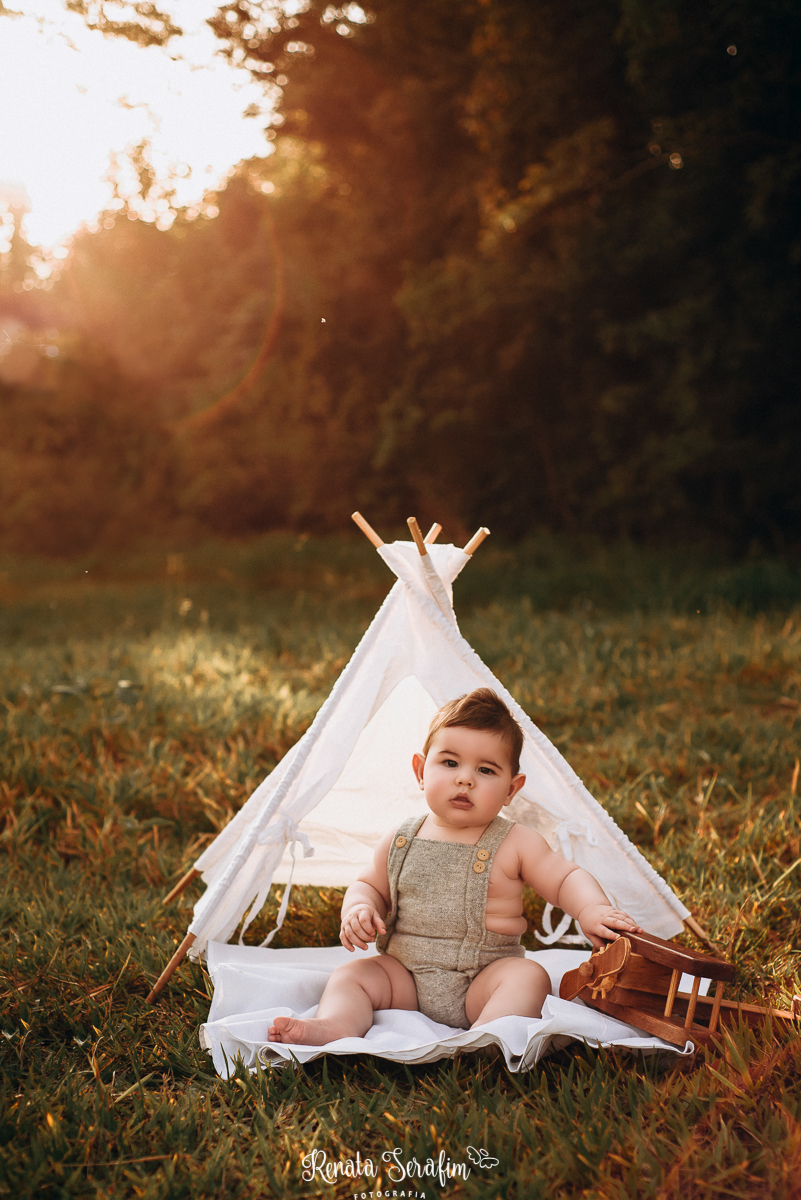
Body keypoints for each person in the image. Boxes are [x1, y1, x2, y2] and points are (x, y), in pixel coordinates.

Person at [268, 688, 642, 1045]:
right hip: (405, 977)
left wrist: (590, 908)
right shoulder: (401, 838)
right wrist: (359, 908)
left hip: (482, 979)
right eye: (450, 763)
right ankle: (335, 1024)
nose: (465, 778)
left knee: (529, 977)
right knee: (353, 975)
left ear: (512, 789)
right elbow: (370, 886)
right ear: (420, 771)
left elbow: (564, 878)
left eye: (486, 770)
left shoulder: (515, 842)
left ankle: (486, 1035)